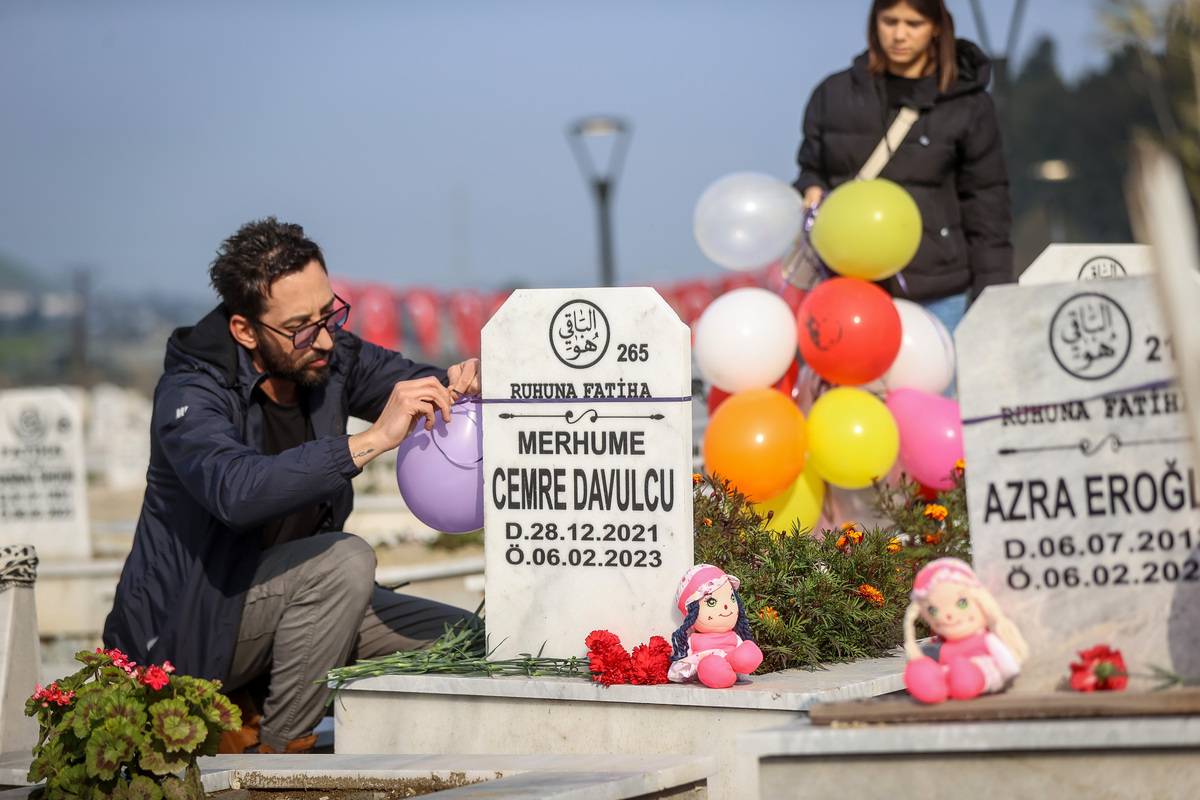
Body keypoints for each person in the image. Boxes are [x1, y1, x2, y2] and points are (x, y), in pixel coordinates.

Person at [102, 217, 482, 753]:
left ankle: (277, 708)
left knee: (470, 640)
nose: (325, 337)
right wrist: (370, 441)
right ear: (244, 330)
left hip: (299, 611)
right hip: (186, 635)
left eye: (330, 312)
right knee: (344, 560)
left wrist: (464, 381)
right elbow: (235, 490)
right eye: (301, 326)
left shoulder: (331, 357)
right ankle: (280, 760)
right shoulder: (191, 390)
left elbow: (417, 383)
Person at [794, 0, 1013, 333]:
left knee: (933, 386)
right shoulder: (833, 94)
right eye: (890, 21)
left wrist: (993, 295)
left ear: (937, 27)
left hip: (938, 293)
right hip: (849, 287)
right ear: (874, 23)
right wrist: (810, 188)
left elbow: (987, 205)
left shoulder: (967, 105)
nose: (899, 35)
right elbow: (811, 167)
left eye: (913, 24)